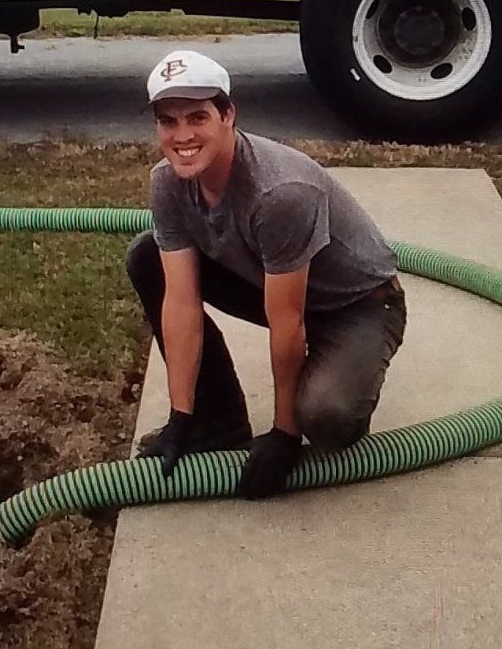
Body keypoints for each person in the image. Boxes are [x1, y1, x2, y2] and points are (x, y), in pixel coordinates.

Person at [128, 49, 407, 500]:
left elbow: (288, 320)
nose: (182, 136)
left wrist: (284, 431)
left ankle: (336, 384)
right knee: (146, 257)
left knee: (326, 417)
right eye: (168, 121)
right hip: (270, 283)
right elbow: (180, 302)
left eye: (197, 117)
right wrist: (182, 417)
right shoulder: (167, 182)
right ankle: (216, 422)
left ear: (228, 115)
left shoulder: (280, 192)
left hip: (357, 306)